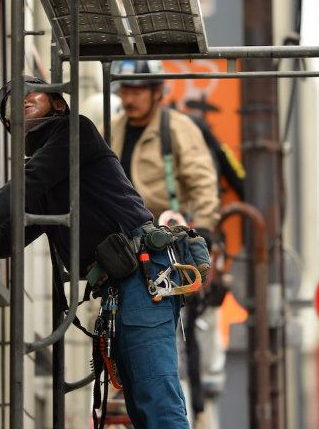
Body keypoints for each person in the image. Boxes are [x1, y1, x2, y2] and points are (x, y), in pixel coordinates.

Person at [0, 75, 191, 429]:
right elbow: (4, 240)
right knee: (142, 408)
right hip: (123, 287)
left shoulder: (75, 131)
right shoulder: (47, 181)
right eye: (10, 100)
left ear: (58, 103)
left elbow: (28, 181)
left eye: (32, 92)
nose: (21, 98)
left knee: (157, 401)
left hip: (145, 277)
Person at [107, 59, 221, 429]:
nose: (129, 97)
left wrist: (203, 237)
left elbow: (204, 185)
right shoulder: (115, 129)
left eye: (138, 89)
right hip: (122, 252)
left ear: (158, 92)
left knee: (155, 370)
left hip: (162, 254)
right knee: (132, 361)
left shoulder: (179, 128)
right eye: (125, 89)